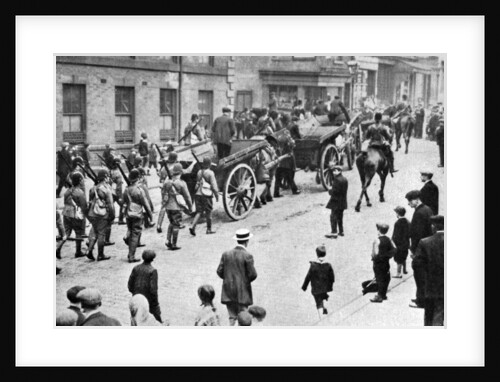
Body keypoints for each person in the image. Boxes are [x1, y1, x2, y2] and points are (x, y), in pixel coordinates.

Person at [216, 228, 258, 326]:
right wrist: (244, 281)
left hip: (228, 291)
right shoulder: (247, 255)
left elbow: (219, 271)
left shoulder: (226, 254)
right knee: (244, 318)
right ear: (247, 241)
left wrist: (228, 278)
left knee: (231, 317)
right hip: (243, 292)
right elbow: (253, 274)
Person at [413, 215, 445, 326]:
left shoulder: (425, 242)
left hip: (432, 287)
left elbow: (417, 266)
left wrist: (421, 288)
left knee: (431, 317)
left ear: (433, 226)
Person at [405, 190, 434, 309]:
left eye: (410, 201)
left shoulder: (419, 213)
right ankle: (422, 297)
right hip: (428, 247)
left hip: (420, 249)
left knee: (419, 275)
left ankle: (421, 300)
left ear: (416, 200)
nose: (409, 204)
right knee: (424, 275)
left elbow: (417, 234)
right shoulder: (427, 209)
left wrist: (413, 250)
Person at [122, 169, 153, 262]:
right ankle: (131, 256)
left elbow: (123, 202)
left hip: (128, 213)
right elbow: (146, 204)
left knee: (130, 230)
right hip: (137, 214)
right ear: (138, 178)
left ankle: (127, 238)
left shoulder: (126, 189)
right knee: (135, 234)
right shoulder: (139, 190)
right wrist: (150, 215)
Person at [85, 169, 114, 261]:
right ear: (105, 177)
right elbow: (110, 204)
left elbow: (90, 202)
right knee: (101, 234)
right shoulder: (106, 189)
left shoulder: (93, 188)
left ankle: (89, 250)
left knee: (94, 232)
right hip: (102, 214)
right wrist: (112, 216)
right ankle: (100, 255)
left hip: (92, 213)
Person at [163, 163, 193, 250]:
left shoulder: (167, 182)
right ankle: (174, 244)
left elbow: (163, 193)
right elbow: (187, 197)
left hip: (168, 206)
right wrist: (190, 207)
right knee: (176, 224)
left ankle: (168, 240)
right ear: (181, 172)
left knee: (171, 223)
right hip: (176, 206)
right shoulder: (182, 183)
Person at [128, 250, 163, 323]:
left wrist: (135, 293)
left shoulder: (136, 268)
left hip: (136, 298)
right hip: (148, 300)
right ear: (152, 259)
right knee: (156, 320)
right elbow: (153, 290)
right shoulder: (153, 271)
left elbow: (130, 284)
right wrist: (156, 304)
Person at [301, 245, 335, 319]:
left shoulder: (313, 266)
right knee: (324, 298)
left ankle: (322, 319)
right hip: (325, 288)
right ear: (325, 254)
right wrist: (330, 287)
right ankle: (325, 311)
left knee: (319, 304)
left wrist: (304, 287)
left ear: (317, 254)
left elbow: (308, 277)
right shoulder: (328, 265)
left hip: (316, 290)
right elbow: (332, 278)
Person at [60, 172, 88, 258]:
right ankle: (78, 251)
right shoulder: (80, 192)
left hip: (66, 212)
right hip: (76, 213)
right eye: (82, 179)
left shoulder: (67, 191)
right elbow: (84, 207)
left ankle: (58, 248)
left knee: (67, 233)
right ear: (80, 181)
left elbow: (66, 202)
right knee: (78, 232)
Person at [190, 156, 219, 236]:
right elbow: (214, 186)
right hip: (206, 195)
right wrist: (216, 195)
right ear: (210, 164)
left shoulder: (199, 172)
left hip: (198, 194)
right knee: (208, 211)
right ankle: (209, 229)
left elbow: (198, 182)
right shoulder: (210, 173)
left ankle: (193, 226)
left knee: (199, 211)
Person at [370, 223, 396, 303]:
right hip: (386, 261)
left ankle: (379, 296)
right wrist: (388, 255)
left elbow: (375, 253)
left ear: (379, 230)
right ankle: (383, 294)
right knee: (386, 277)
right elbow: (394, 249)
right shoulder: (389, 239)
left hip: (378, 262)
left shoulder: (377, 240)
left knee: (379, 278)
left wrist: (374, 258)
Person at [274, 129, 301, 197]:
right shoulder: (289, 139)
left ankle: (276, 193)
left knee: (278, 179)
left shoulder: (278, 139)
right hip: (287, 160)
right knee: (290, 176)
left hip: (278, 161)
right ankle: (295, 190)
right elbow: (293, 145)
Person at [325, 165, 348, 239]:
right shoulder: (345, 179)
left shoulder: (336, 180)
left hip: (336, 202)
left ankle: (334, 232)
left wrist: (330, 190)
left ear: (340, 171)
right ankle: (341, 231)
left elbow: (335, 192)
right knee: (340, 217)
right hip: (343, 202)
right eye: (333, 171)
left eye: (336, 171)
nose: (334, 172)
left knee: (333, 216)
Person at [392, 206, 410, 278]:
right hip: (406, 243)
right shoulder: (408, 221)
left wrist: (394, 242)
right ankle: (404, 270)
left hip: (399, 244)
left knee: (399, 258)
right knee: (404, 256)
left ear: (398, 213)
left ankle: (398, 273)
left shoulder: (397, 223)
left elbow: (396, 235)